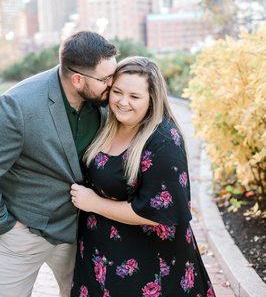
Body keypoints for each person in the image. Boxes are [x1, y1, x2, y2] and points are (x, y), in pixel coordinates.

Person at [70, 56, 216, 297]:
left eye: (135, 97)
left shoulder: (163, 142)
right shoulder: (108, 121)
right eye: (117, 92)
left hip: (149, 267)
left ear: (152, 99)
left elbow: (157, 214)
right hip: (100, 255)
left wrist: (94, 203)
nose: (123, 102)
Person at [0, 31, 117, 297]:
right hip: (25, 232)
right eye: (105, 79)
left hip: (81, 231)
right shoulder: (17, 105)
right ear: (77, 79)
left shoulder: (102, 101)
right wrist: (6, 225)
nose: (113, 84)